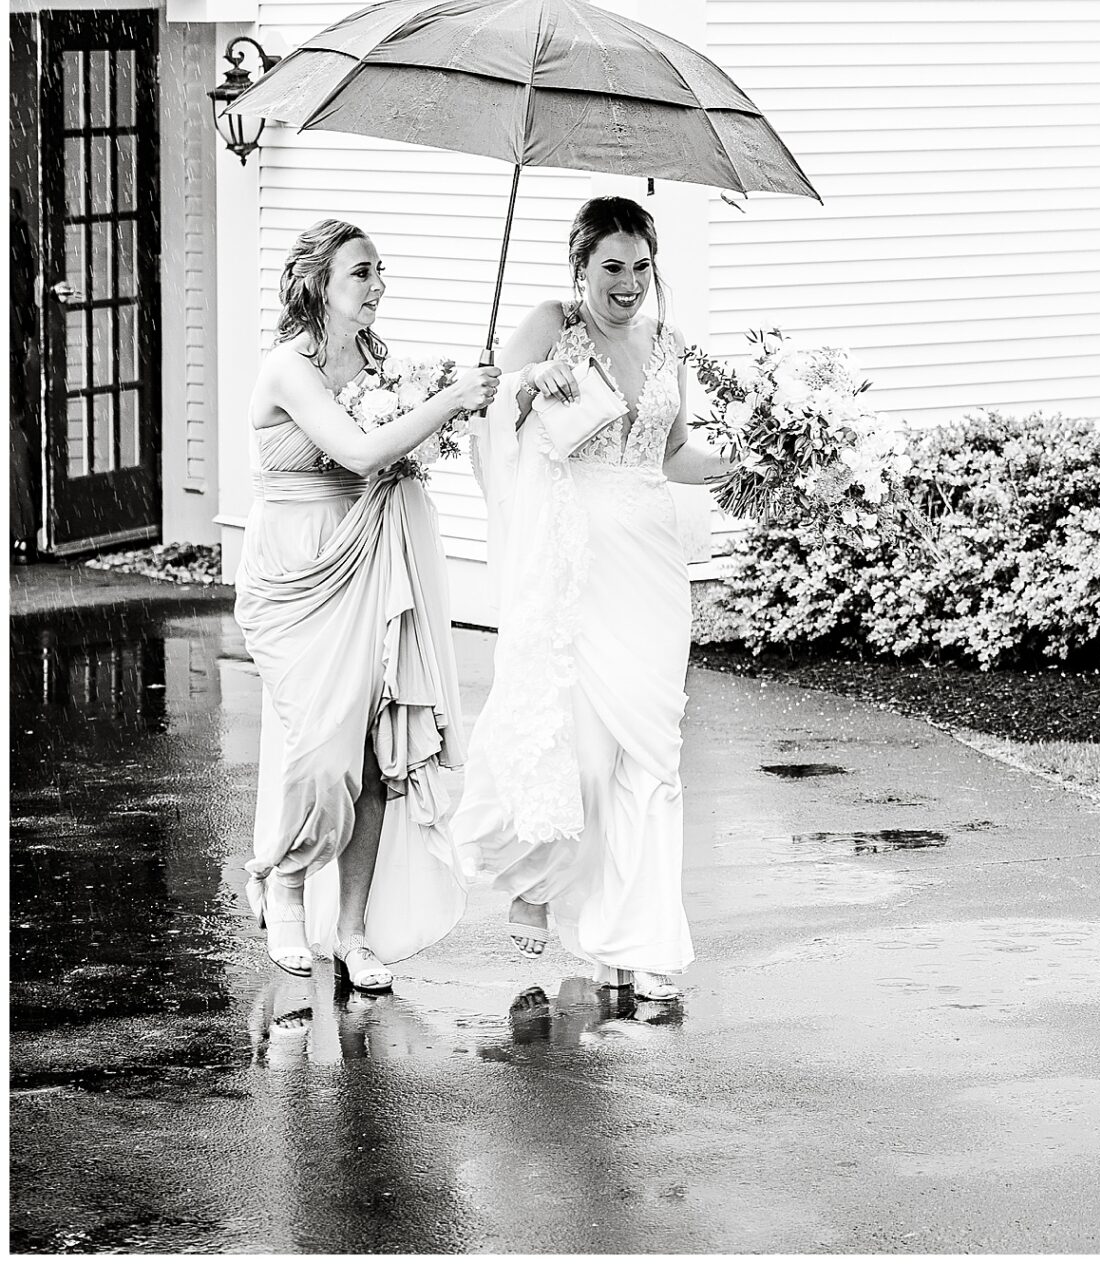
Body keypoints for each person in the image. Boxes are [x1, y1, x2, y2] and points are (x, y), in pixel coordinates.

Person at [453, 194, 733, 1000]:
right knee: (581, 754)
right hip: (572, 559)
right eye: (613, 267)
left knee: (652, 752)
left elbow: (673, 453)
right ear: (580, 269)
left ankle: (641, 942)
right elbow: (489, 415)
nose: (629, 285)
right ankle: (538, 878)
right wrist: (522, 384)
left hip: (649, 559)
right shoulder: (551, 324)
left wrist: (754, 462)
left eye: (642, 268)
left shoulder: (670, 343)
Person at [235, 219, 499, 994]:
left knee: (377, 747)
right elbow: (355, 450)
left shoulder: (379, 362)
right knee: (318, 745)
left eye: (381, 271)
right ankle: (280, 886)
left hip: (368, 558)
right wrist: (447, 401)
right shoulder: (288, 368)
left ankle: (352, 931)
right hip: (295, 567)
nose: (377, 286)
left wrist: (452, 413)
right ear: (317, 283)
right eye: (361, 273)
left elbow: (393, 453)